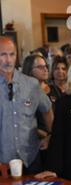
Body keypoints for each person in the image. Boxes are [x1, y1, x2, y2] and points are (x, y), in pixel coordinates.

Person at [0, 37, 53, 174]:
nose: (8, 60)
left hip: (31, 160)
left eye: (12, 54)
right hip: (2, 163)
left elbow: (47, 110)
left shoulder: (31, 84)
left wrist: (50, 136)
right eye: (3, 55)